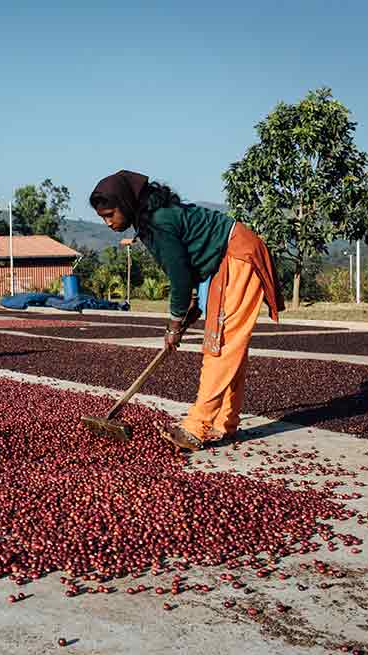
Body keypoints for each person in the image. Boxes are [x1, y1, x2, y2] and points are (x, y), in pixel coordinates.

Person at [89, 170, 283, 451]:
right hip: (221, 262)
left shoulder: (159, 222)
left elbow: (179, 278)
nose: (108, 223)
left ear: (127, 204)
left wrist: (174, 324)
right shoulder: (151, 220)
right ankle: (224, 424)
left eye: (110, 215)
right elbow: (187, 268)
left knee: (221, 346)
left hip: (236, 257)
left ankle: (196, 427)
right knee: (229, 348)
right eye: (103, 218)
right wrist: (190, 309)